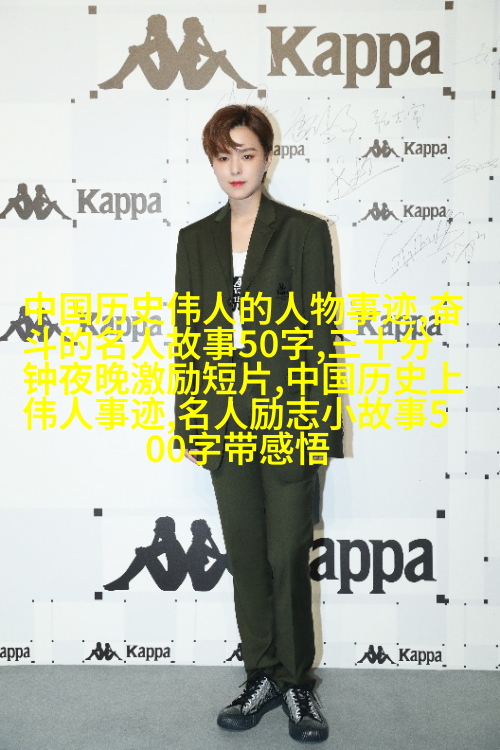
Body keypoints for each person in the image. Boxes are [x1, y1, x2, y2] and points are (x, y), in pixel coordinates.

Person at [174, 105, 342, 743]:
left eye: (246, 154)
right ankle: (260, 676)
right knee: (246, 556)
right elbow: (189, 337)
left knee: (287, 555)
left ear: (268, 157)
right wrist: (192, 421)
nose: (235, 168)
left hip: (289, 417)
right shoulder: (195, 239)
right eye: (223, 157)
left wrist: (315, 428)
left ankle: (296, 683)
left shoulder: (303, 232)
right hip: (224, 420)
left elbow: (319, 338)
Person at [98, 14, 178, 90]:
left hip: (161, 83)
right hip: (163, 81)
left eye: (149, 26)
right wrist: (136, 48)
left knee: (137, 54)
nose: (147, 28)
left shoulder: (162, 41)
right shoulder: (162, 40)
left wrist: (147, 36)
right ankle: (118, 80)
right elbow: (144, 49)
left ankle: (117, 80)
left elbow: (143, 50)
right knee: (137, 53)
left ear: (156, 27)